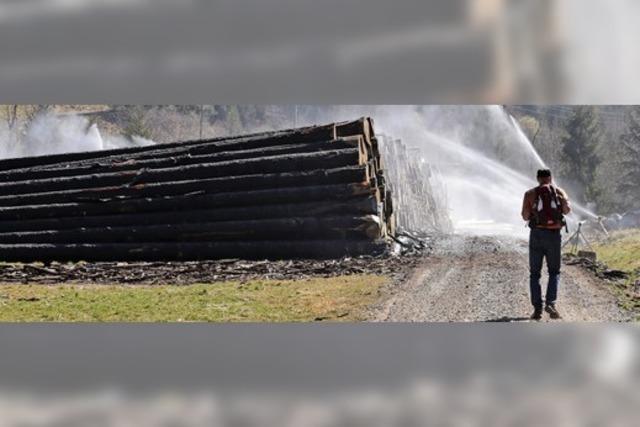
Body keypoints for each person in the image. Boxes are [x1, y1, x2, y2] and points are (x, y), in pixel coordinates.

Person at [521, 169, 571, 320]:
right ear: (550, 178)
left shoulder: (530, 194)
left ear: (537, 178)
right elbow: (567, 210)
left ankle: (537, 309)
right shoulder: (559, 192)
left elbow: (524, 216)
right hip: (554, 236)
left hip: (537, 235)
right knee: (554, 272)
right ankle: (551, 303)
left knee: (535, 274)